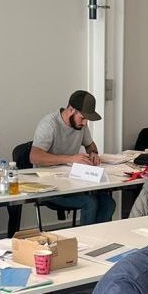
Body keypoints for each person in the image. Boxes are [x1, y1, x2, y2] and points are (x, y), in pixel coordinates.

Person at [30, 90, 115, 225]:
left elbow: (90, 145)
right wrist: (69, 159)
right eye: (83, 118)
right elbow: (34, 157)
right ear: (71, 110)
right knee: (90, 202)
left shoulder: (80, 126)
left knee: (108, 203)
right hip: (49, 187)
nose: (85, 123)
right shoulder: (49, 124)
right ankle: (85, 237)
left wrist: (93, 154)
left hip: (73, 182)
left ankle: (96, 236)